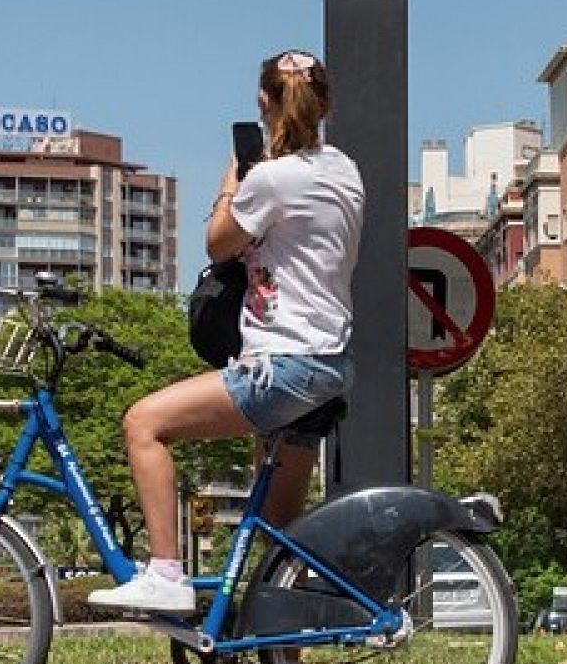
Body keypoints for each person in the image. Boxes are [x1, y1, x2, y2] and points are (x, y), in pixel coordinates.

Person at [89, 49, 364, 613]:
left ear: (264, 101)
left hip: (281, 365)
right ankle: (295, 648)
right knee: (279, 524)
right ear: (324, 105)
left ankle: (165, 572)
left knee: (144, 424)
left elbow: (218, 242)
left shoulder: (270, 180)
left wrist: (230, 183)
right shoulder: (343, 168)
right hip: (328, 362)